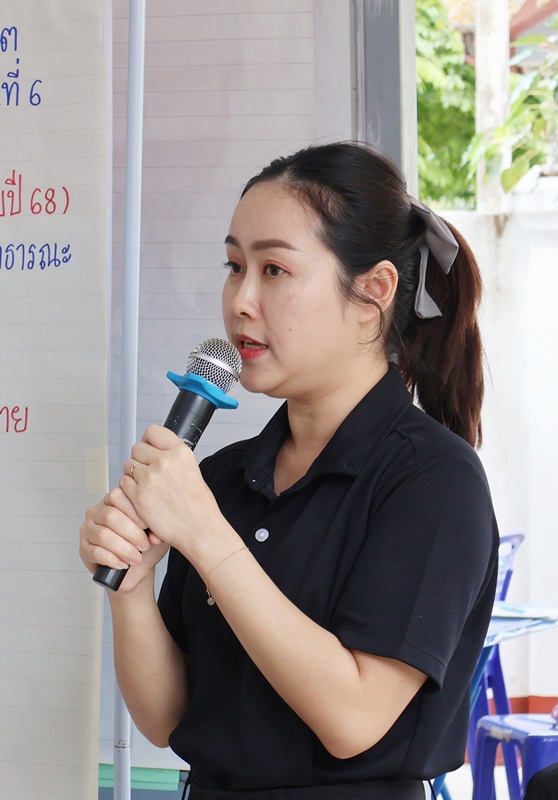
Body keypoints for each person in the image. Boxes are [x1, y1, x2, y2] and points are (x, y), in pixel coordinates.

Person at [80, 142, 499, 799]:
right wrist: (130, 588)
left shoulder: (434, 481)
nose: (241, 301)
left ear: (374, 292)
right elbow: (166, 718)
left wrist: (208, 537)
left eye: (274, 269)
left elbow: (353, 718)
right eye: (234, 266)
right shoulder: (223, 477)